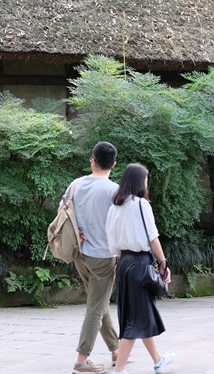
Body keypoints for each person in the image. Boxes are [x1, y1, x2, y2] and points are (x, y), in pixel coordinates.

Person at [106, 163, 175, 374]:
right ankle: (119, 371)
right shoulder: (141, 205)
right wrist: (163, 263)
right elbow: (152, 238)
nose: (147, 183)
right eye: (146, 179)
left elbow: (112, 244)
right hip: (139, 264)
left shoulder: (114, 207)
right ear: (139, 181)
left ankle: (158, 360)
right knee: (134, 320)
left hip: (124, 264)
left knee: (139, 314)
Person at [63, 141, 120, 374]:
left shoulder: (75, 185)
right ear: (113, 164)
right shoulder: (115, 190)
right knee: (96, 306)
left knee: (99, 301)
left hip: (80, 255)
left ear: (92, 160)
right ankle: (81, 360)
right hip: (104, 258)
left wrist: (77, 232)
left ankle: (116, 349)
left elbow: (62, 213)